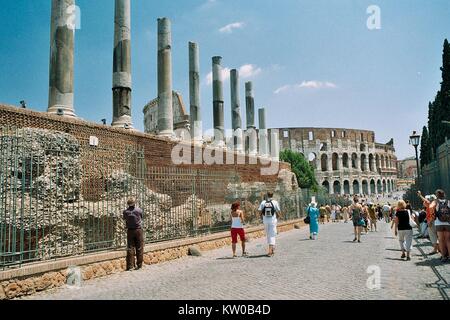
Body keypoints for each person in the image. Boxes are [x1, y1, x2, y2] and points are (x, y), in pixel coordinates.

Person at [122, 197, 144, 271]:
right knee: (139, 247)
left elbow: (124, 219)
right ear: (134, 203)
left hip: (130, 230)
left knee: (130, 247)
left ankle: (130, 266)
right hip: (138, 230)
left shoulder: (125, 212)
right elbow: (141, 217)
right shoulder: (139, 210)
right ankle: (139, 265)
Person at [429, 189, 450, 263]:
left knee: (441, 240)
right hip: (448, 223)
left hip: (439, 222)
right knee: (448, 240)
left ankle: (444, 256)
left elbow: (430, 207)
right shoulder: (448, 202)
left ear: (437, 195)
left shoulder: (435, 202)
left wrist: (432, 218)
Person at [259, 192, 282, 257]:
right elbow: (278, 211)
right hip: (272, 221)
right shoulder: (275, 202)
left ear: (267, 195)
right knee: (272, 235)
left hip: (265, 221)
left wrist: (261, 218)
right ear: (272, 195)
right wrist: (279, 217)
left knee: (268, 235)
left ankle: (272, 249)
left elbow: (259, 211)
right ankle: (270, 251)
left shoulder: (263, 202)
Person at [417, 191, 439, 255]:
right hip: (439, 221)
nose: (424, 202)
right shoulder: (437, 203)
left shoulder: (430, 204)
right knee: (438, 236)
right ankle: (438, 249)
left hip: (432, 222)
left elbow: (425, 201)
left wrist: (420, 195)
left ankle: (435, 249)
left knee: (433, 235)